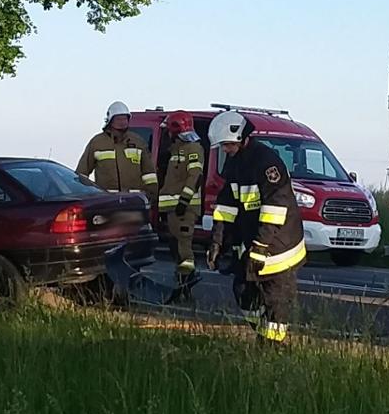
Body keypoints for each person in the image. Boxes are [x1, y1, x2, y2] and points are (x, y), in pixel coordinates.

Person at [207, 110, 304, 344]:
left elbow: (275, 208)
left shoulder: (267, 163)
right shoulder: (235, 163)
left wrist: (261, 246)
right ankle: (262, 334)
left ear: (241, 137)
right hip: (252, 240)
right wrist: (217, 242)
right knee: (243, 291)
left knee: (275, 299)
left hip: (279, 243)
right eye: (223, 146)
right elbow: (226, 206)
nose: (225, 150)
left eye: (228, 145)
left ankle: (272, 346)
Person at [155, 112, 206, 276]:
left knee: (184, 247)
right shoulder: (176, 150)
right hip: (173, 209)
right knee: (175, 246)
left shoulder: (193, 149)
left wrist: (184, 201)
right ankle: (181, 278)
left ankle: (186, 280)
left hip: (185, 208)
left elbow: (195, 176)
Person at [75, 101, 157, 198]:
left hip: (134, 200)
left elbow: (149, 175)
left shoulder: (138, 142)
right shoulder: (97, 142)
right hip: (107, 201)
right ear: (110, 121)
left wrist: (152, 195)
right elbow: (82, 173)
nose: (122, 122)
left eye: (125, 119)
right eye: (118, 119)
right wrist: (82, 195)